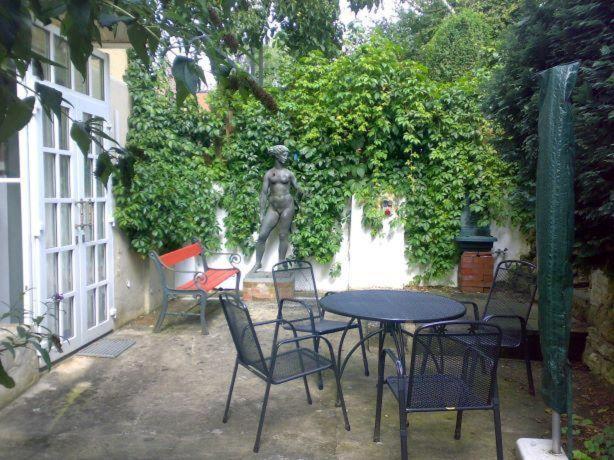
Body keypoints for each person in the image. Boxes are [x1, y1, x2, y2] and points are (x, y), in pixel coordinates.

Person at [250, 145, 301, 272]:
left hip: (287, 207)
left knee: (283, 235)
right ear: (277, 155)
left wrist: (300, 196)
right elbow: (263, 193)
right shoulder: (268, 174)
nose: (286, 157)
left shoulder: (289, 173)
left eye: (286, 154)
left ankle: (281, 262)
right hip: (273, 208)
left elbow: (298, 188)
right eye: (284, 154)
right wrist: (261, 213)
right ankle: (257, 263)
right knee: (262, 235)